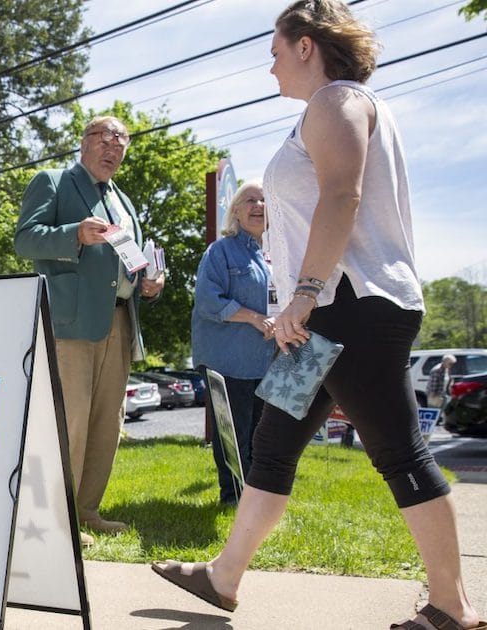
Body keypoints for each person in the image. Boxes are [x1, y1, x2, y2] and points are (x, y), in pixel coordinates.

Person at [152, 2, 483, 628]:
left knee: (399, 452)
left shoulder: (337, 101)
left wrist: (304, 293)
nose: (269, 63)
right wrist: (297, 305)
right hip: (321, 319)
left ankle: (453, 606)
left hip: (350, 308)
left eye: (275, 49)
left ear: (307, 45)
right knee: (272, 445)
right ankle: (223, 577)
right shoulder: (326, 110)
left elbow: (342, 194)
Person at [15, 115, 165, 546]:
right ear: (83, 143)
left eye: (122, 140)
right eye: (105, 136)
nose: (113, 146)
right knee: (70, 419)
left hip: (120, 319)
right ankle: (53, 517)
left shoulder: (124, 201)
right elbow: (26, 239)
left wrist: (148, 282)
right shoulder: (55, 181)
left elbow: (129, 261)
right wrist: (74, 234)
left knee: (106, 422)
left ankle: (86, 510)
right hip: (72, 319)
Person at [190, 181, 277, 506]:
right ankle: (233, 497)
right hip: (228, 361)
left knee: (260, 435)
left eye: (264, 200)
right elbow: (208, 301)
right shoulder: (220, 251)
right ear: (236, 211)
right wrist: (255, 318)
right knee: (234, 436)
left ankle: (253, 500)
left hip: (265, 362)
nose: (258, 205)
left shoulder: (273, 256)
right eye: (250, 200)